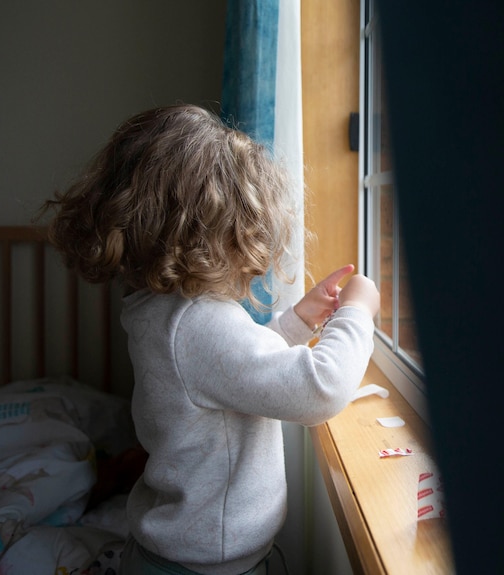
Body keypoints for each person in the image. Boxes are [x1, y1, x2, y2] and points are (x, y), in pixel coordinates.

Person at [42, 104, 379, 575]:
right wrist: (359, 312)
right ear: (209, 234)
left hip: (181, 553)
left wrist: (298, 322)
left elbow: (229, 371)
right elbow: (318, 389)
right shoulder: (198, 323)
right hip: (203, 566)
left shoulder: (159, 310)